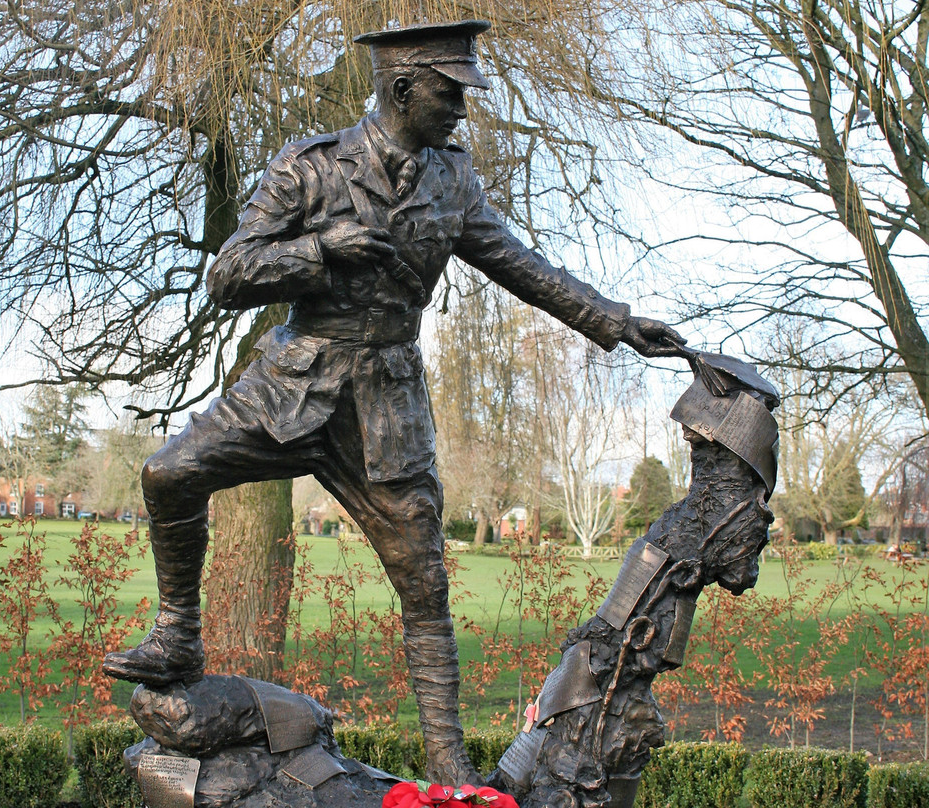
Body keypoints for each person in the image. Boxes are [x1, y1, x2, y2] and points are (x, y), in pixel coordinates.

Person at [104, 20, 686, 785]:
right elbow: (230, 274)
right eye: (451, 93)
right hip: (294, 381)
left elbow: (522, 266)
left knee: (423, 580)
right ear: (403, 88)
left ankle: (448, 765)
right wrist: (319, 252)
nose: (462, 110)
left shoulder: (453, 178)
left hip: (386, 402)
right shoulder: (309, 169)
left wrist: (616, 322)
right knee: (168, 475)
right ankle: (178, 635)